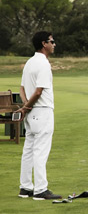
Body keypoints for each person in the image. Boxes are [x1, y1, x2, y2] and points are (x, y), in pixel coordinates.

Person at [15, 31, 62, 200]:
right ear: (44, 44)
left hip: (32, 113)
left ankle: (25, 187)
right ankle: (40, 189)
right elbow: (39, 91)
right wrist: (27, 106)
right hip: (42, 111)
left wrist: (25, 107)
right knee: (40, 151)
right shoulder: (42, 64)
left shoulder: (29, 62)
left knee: (28, 150)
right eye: (52, 41)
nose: (54, 44)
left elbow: (22, 88)